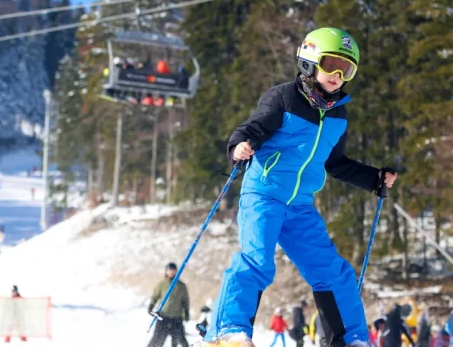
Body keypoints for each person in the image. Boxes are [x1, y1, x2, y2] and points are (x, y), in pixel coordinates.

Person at [204, 27, 398, 347]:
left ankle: (350, 340)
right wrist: (240, 146)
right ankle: (228, 331)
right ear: (309, 61)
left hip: (301, 206)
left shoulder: (339, 115)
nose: (337, 74)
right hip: (263, 195)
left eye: (346, 68)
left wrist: (374, 179)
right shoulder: (283, 98)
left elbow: (335, 163)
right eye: (331, 64)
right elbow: (253, 128)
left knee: (334, 272)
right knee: (257, 260)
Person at [147, 262, 190, 347]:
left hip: (176, 318)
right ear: (166, 271)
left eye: (173, 270)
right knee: (157, 340)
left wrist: (186, 312)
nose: (171, 272)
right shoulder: (161, 284)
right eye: (169, 270)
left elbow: (185, 301)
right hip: (163, 317)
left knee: (181, 340)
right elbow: (154, 296)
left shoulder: (181, 286)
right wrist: (151, 306)